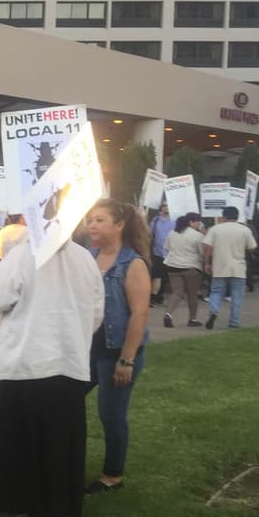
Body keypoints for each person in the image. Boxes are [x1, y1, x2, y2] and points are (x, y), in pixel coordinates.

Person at [0, 235, 103, 517]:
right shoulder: (85, 259)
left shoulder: (23, 255)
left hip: (27, 359)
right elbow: (96, 311)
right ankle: (60, 503)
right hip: (68, 357)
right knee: (62, 438)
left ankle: (18, 502)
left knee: (20, 435)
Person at [85, 199, 151, 494]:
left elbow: (139, 313)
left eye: (99, 220)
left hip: (116, 352)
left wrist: (127, 359)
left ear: (119, 225)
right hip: (86, 349)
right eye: (89, 220)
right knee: (64, 397)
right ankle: (65, 455)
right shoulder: (87, 256)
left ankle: (113, 475)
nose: (92, 225)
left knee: (111, 412)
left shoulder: (132, 263)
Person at [202, 206, 257, 330]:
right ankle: (234, 322)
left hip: (220, 267)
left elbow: (207, 248)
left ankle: (214, 312)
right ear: (237, 216)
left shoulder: (215, 229)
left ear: (224, 216)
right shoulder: (245, 230)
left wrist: (207, 263)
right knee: (237, 296)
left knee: (216, 292)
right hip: (238, 267)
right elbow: (252, 247)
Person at [162, 213, 206, 327]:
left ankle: (168, 314)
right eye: (198, 222)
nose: (199, 224)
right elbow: (202, 253)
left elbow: (166, 248)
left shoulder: (172, 233)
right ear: (191, 222)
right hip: (191, 267)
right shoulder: (197, 236)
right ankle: (192, 319)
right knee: (192, 294)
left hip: (172, 266)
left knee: (176, 292)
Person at [149, 204, 175, 305]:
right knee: (156, 276)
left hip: (171, 252)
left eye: (168, 205)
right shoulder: (156, 220)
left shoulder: (175, 220)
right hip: (157, 252)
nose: (166, 207)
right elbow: (150, 233)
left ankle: (160, 295)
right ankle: (153, 297)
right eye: (164, 205)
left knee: (165, 277)